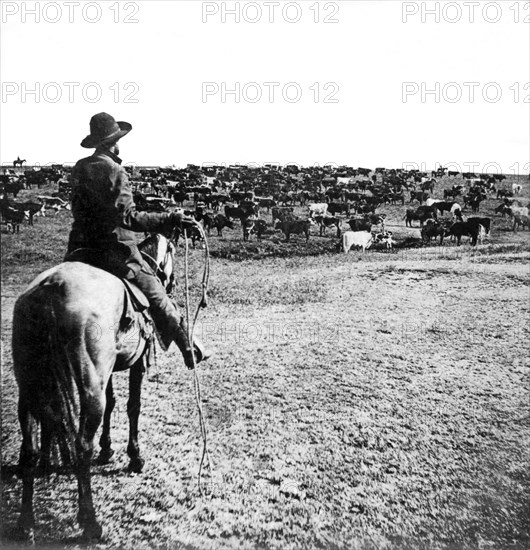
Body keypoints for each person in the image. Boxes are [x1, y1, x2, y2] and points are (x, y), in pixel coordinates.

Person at [65, 112, 211, 369]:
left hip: (78, 251)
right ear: (114, 141)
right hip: (113, 253)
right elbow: (128, 218)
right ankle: (189, 347)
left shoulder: (79, 167)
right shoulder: (115, 170)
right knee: (156, 293)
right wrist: (170, 218)